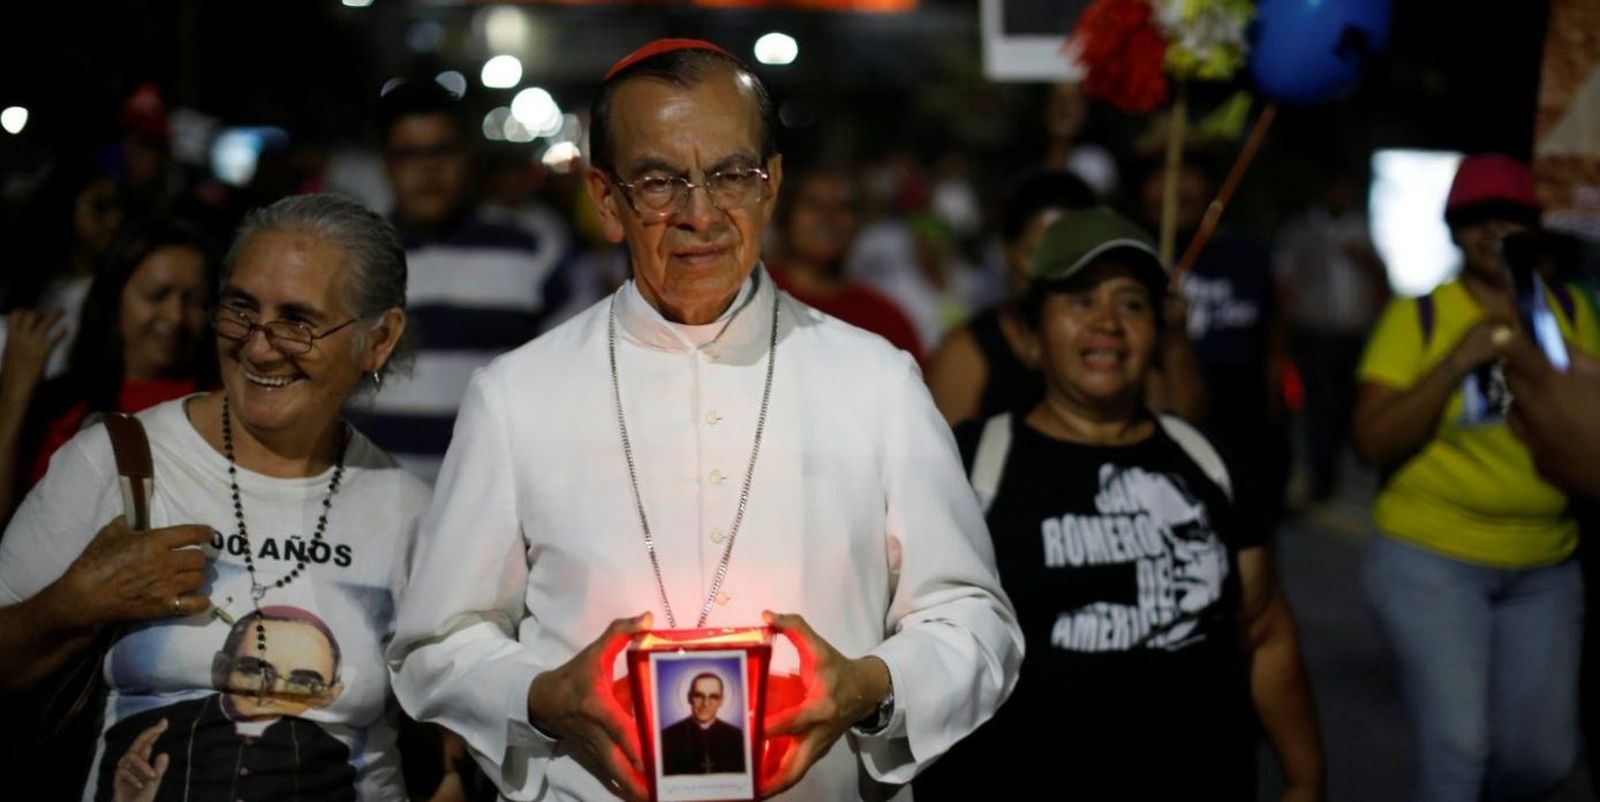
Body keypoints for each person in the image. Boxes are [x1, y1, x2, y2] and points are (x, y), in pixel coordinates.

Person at [388, 39, 1023, 802]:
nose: (700, 215)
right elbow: (435, 643)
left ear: (771, 185)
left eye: (730, 176)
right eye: (660, 181)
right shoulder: (517, 394)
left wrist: (871, 686)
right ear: (605, 199)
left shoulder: (877, 380)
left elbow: (974, 620)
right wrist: (542, 696)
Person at [0, 194, 441, 800]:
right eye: (241, 310)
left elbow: (444, 731)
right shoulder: (119, 462)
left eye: (297, 321)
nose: (258, 347)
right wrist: (75, 603)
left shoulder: (408, 510)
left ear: (379, 339)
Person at [918, 207, 1324, 801]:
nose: (1108, 323)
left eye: (1132, 304)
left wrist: (1305, 779)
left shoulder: (1206, 461)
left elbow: (1266, 633)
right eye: (1081, 301)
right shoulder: (972, 466)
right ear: (1031, 335)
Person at [1352, 153, 1600, 801]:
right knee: (1460, 751)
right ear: (1454, 230)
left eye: (1510, 216)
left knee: (1543, 760)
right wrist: (1456, 362)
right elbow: (1372, 442)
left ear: (1534, 228)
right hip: (1433, 559)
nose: (1493, 230)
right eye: (1475, 217)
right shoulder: (1421, 316)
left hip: (1546, 564)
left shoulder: (1570, 314)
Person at [346, 80, 573, 483]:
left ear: (469, 157)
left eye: (443, 151)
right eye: (410, 154)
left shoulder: (532, 251)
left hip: (492, 494)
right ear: (386, 164)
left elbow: (569, 376)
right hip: (370, 494)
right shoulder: (350, 254)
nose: (428, 169)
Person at [0, 217, 217, 529]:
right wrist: (16, 388)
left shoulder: (216, 401)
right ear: (114, 297)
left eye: (195, 301)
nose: (176, 316)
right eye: (156, 295)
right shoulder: (62, 401)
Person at [1140, 154, 1291, 523]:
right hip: (1162, 446)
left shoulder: (1249, 257)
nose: (1175, 191)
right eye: (1161, 177)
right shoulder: (1131, 259)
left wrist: (1276, 430)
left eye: (1187, 175)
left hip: (1241, 442)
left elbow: (1273, 346)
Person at [100, 606, 355, 801]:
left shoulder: (329, 756)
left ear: (330, 693)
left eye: (304, 681)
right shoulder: (144, 737)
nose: (273, 691)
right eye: (255, 670)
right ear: (221, 669)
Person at [1274, 172, 1389, 501]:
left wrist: (1365, 259)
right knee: (1318, 405)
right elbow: (1284, 282)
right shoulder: (1301, 231)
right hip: (1313, 332)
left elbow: (1382, 277)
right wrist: (1282, 334)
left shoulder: (1359, 230)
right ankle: (1319, 474)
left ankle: (1335, 471)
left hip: (1353, 333)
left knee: (1344, 405)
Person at [767, 167, 923, 363]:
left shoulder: (886, 319)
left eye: (843, 207)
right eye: (814, 205)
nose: (828, 217)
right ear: (786, 218)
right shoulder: (750, 299)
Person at [659, 673, 744, 776]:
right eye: (699, 696)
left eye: (713, 697)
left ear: (721, 701)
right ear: (690, 698)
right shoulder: (667, 737)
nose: (705, 703)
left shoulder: (737, 737)